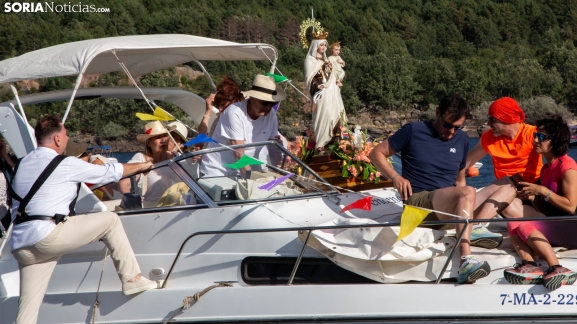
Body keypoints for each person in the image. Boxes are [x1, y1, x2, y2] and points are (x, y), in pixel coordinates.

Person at [10, 115, 156, 324]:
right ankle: (132, 279)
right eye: (66, 134)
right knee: (110, 220)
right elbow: (108, 173)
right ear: (58, 139)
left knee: (26, 315)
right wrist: (142, 166)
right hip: (47, 236)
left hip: (21, 244)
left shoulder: (20, 165)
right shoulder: (66, 163)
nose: (68, 138)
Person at [370, 94, 501, 284]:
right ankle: (466, 258)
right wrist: (395, 177)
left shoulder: (462, 139)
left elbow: (460, 179)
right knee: (468, 192)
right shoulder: (413, 130)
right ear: (437, 113)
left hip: (447, 206)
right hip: (419, 205)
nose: (452, 132)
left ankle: (471, 225)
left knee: (506, 183)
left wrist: (466, 204)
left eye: (458, 127)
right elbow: (376, 153)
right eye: (448, 125)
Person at [503, 114, 577, 290]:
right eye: (536, 135)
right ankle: (529, 265)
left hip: (570, 227)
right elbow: (546, 209)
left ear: (555, 140)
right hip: (556, 223)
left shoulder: (567, 166)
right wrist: (531, 196)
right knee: (513, 221)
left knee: (523, 225)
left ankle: (557, 267)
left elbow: (571, 206)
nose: (535, 140)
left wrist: (542, 190)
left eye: (542, 137)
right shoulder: (546, 169)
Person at [466, 97, 544, 241]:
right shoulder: (488, 138)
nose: (489, 124)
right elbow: (465, 163)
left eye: (492, 119)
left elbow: (558, 159)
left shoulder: (531, 134)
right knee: (507, 197)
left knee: (510, 186)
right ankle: (477, 227)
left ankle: (552, 225)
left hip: (533, 192)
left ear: (506, 119)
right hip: (507, 193)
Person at [199, 74, 285, 178]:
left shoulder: (271, 115)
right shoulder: (235, 112)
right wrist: (251, 183)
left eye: (272, 104)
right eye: (265, 102)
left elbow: (273, 149)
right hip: (218, 171)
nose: (268, 107)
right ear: (252, 98)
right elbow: (239, 155)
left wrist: (279, 174)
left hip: (244, 170)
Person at [122, 121, 181, 208]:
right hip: (152, 212)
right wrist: (132, 198)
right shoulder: (141, 159)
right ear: (149, 143)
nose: (163, 140)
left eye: (165, 136)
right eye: (157, 137)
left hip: (180, 208)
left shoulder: (177, 157)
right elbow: (125, 183)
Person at [304, 37, 346, 149]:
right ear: (315, 46)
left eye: (324, 45)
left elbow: (335, 73)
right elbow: (309, 79)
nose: (323, 48)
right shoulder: (310, 60)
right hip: (321, 93)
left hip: (333, 91)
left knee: (335, 114)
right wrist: (318, 85)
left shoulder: (326, 59)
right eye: (321, 45)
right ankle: (322, 142)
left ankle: (335, 140)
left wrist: (337, 78)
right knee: (325, 114)